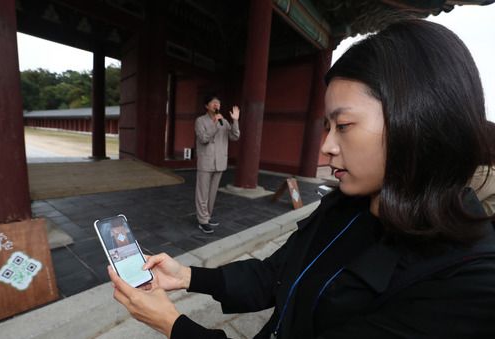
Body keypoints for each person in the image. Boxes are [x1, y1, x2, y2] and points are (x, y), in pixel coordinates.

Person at [107, 19, 495, 338]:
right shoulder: (347, 202)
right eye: (327, 126)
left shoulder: (468, 284)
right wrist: (187, 276)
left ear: (419, 122)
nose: (325, 146)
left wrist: (172, 324)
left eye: (343, 125)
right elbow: (275, 274)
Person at [194, 94, 240, 233]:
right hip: (206, 161)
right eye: (214, 103)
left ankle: (207, 216)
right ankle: (202, 221)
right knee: (202, 192)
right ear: (207, 106)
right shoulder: (200, 121)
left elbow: (234, 136)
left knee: (212, 193)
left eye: (218, 103)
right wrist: (214, 124)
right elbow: (203, 139)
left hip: (220, 162)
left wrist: (235, 121)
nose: (217, 105)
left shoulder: (224, 122)